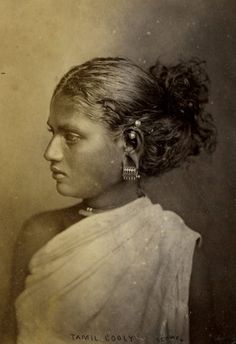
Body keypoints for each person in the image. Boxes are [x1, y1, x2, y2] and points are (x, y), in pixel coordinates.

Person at [2, 57, 217, 344]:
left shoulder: (179, 251)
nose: (50, 152)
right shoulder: (39, 234)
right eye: (52, 132)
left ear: (130, 144)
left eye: (72, 136)